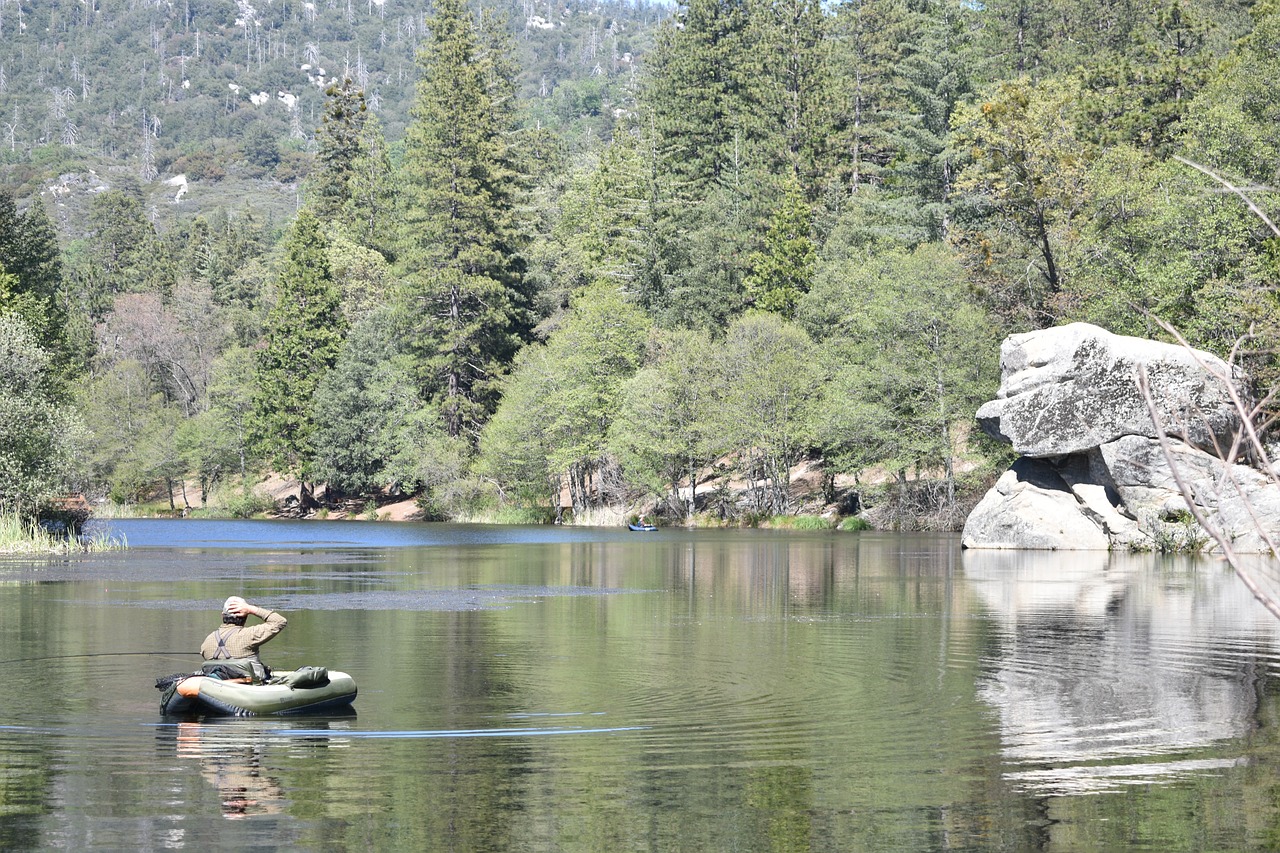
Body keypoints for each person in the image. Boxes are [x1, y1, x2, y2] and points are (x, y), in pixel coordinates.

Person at [201, 596, 287, 664]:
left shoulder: (207, 642)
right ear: (246, 616)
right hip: (249, 684)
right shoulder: (249, 635)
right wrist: (250, 609)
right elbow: (280, 621)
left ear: (222, 616)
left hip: (216, 683)